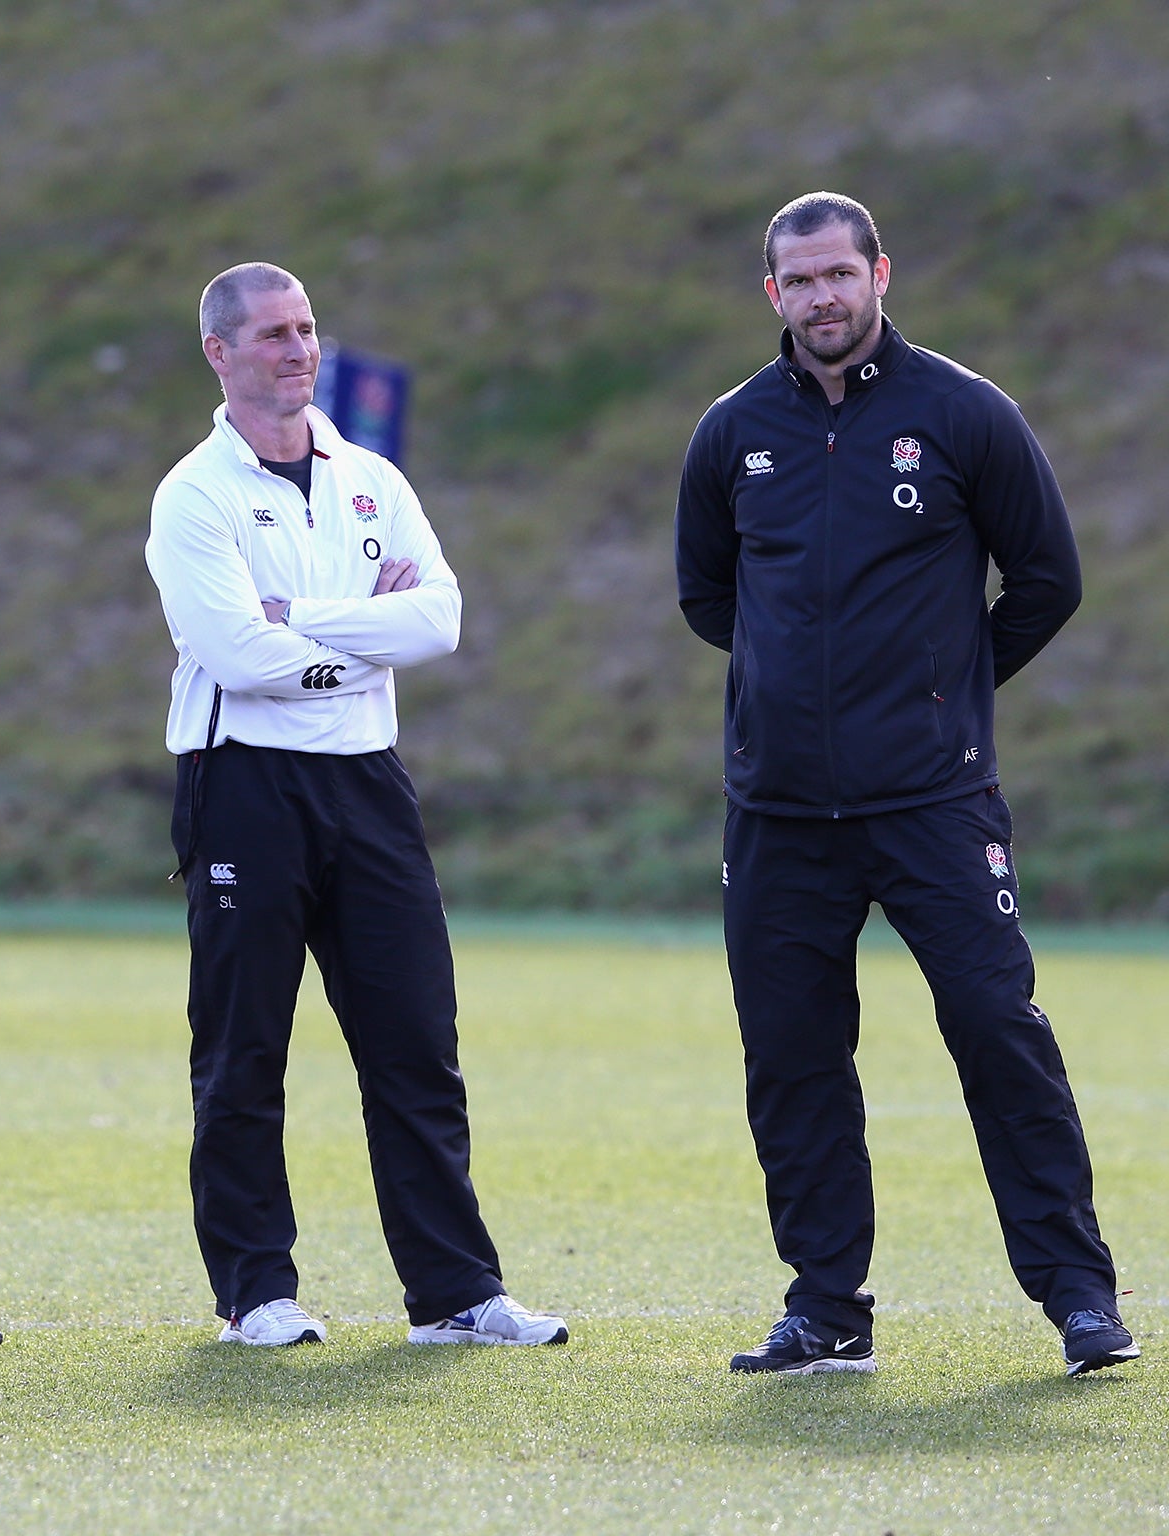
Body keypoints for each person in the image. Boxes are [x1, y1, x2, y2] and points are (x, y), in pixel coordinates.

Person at [675, 192, 1137, 1378]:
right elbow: (708, 599)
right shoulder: (731, 433)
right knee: (789, 1056)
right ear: (769, 293)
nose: (822, 296)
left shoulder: (963, 412)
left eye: (840, 272)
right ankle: (824, 1308)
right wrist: (800, 694)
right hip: (776, 808)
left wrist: (944, 692)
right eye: (798, 279)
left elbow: (1044, 578)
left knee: (995, 1029)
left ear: (879, 272)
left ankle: (1078, 1294)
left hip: (932, 801)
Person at [143, 262, 569, 1349]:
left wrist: (308, 621)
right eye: (272, 335)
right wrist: (350, 650)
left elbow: (439, 620)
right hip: (244, 779)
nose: (296, 350)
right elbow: (234, 651)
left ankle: (455, 1294)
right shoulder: (194, 491)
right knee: (245, 1048)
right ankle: (256, 1292)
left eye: (306, 329)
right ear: (220, 354)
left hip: (367, 782)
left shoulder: (369, 475)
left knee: (414, 1040)